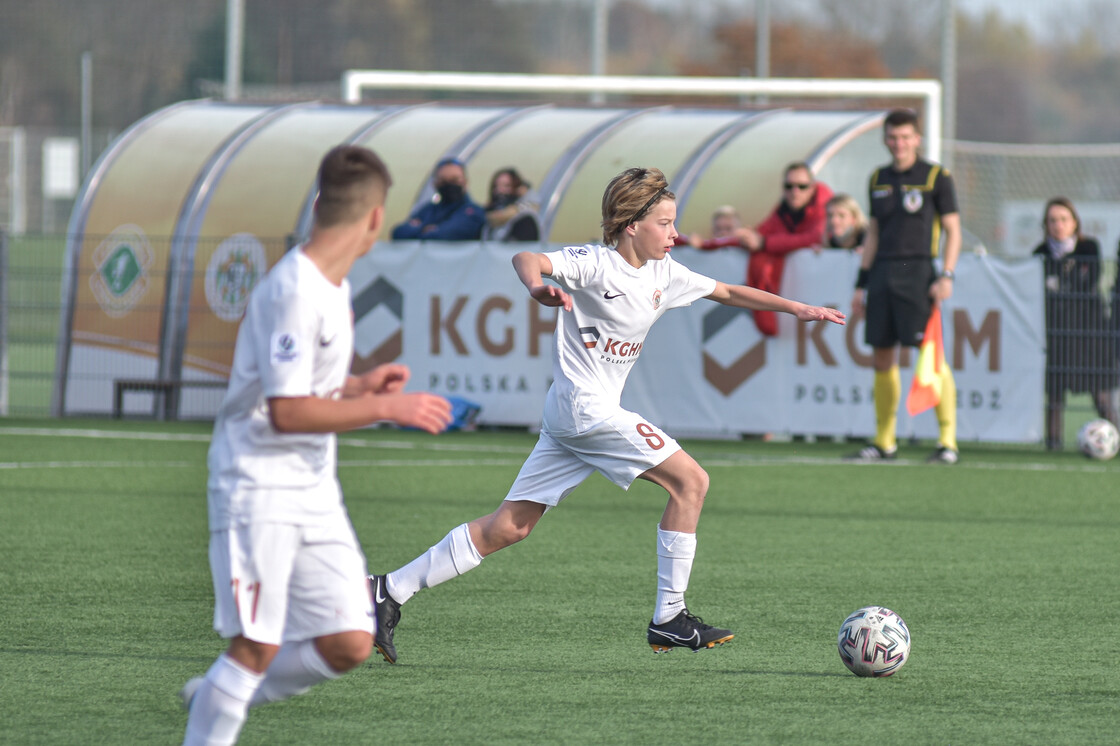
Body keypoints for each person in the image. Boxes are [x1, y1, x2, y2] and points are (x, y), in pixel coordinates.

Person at [366, 166, 845, 663]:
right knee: (691, 483)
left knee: (510, 527)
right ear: (631, 224)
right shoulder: (595, 264)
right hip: (583, 410)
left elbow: (726, 291)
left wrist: (798, 308)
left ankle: (387, 590)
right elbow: (526, 256)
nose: (675, 233)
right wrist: (536, 287)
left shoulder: (665, 272)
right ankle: (670, 619)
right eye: (665, 222)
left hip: (573, 414)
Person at [180, 145, 453, 745]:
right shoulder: (296, 289)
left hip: (312, 489)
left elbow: (303, 387)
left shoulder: (331, 286)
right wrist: (386, 407)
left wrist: (357, 384)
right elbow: (284, 411)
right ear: (376, 218)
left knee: (350, 639)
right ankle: (222, 700)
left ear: (317, 205)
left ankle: (219, 695)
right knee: (255, 645)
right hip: (257, 488)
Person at [848, 108, 962, 464]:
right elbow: (875, 233)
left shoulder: (936, 177)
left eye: (906, 137)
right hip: (882, 272)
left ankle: (947, 442)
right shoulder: (877, 178)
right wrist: (861, 284)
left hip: (919, 273)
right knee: (882, 355)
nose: (899, 144)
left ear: (917, 139)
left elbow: (953, 230)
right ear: (885, 140)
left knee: (929, 356)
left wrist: (946, 275)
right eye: (893, 138)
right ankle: (885, 442)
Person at [699, 163, 833, 336]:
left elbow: (814, 236)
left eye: (802, 186)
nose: (795, 191)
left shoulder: (825, 207)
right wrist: (708, 243)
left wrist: (764, 243)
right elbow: (761, 234)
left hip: (809, 311)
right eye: (789, 186)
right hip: (791, 321)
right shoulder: (783, 209)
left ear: (812, 187)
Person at [1032, 197, 1118, 450]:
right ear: (1046, 225)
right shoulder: (1040, 254)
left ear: (1075, 223)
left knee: (1101, 394)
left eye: (1063, 220)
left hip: (1089, 331)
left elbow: (1088, 281)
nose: (1058, 225)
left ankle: (1112, 441)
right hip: (1056, 333)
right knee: (1055, 395)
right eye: (1052, 221)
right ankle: (1053, 444)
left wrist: (1060, 287)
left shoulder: (1089, 248)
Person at [391, 157, 486, 241]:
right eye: (443, 181)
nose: (449, 185)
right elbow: (398, 233)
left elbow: (448, 234)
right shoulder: (428, 209)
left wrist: (420, 228)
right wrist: (426, 229)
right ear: (435, 184)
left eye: (454, 180)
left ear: (465, 182)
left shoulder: (473, 212)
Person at [482, 166, 541, 242]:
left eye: (506, 186)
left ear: (517, 189)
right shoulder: (490, 217)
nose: (500, 190)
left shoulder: (525, 218)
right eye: (496, 186)